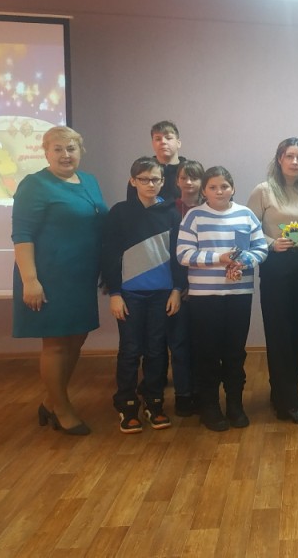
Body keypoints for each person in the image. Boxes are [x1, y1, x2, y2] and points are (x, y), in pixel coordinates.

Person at [12, 126, 107, 436]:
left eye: (71, 148)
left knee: (77, 338)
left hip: (81, 274)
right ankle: (62, 409)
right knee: (55, 344)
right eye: (58, 149)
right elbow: (22, 236)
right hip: (49, 277)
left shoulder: (89, 181)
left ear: (80, 151)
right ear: (46, 152)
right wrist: (30, 280)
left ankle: (51, 401)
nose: (66, 155)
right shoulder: (34, 185)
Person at [177, 166, 268, 431]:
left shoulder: (246, 215)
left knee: (235, 353)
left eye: (224, 186)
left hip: (239, 295)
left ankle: (235, 405)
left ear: (233, 188)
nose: (219, 191)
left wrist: (244, 261)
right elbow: (183, 255)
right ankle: (210, 407)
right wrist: (220, 258)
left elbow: (261, 249)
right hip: (205, 298)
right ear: (204, 190)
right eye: (213, 187)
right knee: (207, 354)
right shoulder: (194, 216)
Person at [101, 156, 186, 433]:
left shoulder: (171, 213)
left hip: (162, 294)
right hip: (130, 295)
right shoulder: (120, 212)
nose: (150, 184)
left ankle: (154, 403)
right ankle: (127, 405)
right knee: (130, 351)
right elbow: (110, 255)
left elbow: (177, 257)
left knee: (156, 351)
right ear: (133, 181)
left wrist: (177, 289)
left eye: (155, 179)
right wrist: (115, 293)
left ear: (163, 182)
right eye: (144, 179)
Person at [248, 138, 298, 425]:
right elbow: (249, 230)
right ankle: (289, 402)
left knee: (297, 332)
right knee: (279, 333)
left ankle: (282, 394)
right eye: (290, 156)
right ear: (279, 159)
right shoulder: (263, 190)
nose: (295, 162)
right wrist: (270, 243)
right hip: (275, 266)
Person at [168, 159, 205, 417]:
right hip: (175, 287)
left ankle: (202, 392)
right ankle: (183, 394)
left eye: (194, 177)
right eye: (184, 177)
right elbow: (167, 252)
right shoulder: (168, 211)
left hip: (204, 286)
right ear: (177, 181)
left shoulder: (210, 210)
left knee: (203, 343)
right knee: (179, 342)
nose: (189, 182)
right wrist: (177, 284)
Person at [126, 121, 185, 203]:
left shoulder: (189, 171)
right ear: (153, 144)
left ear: (178, 143)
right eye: (158, 139)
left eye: (168, 138)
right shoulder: (141, 170)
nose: (163, 142)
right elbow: (132, 204)